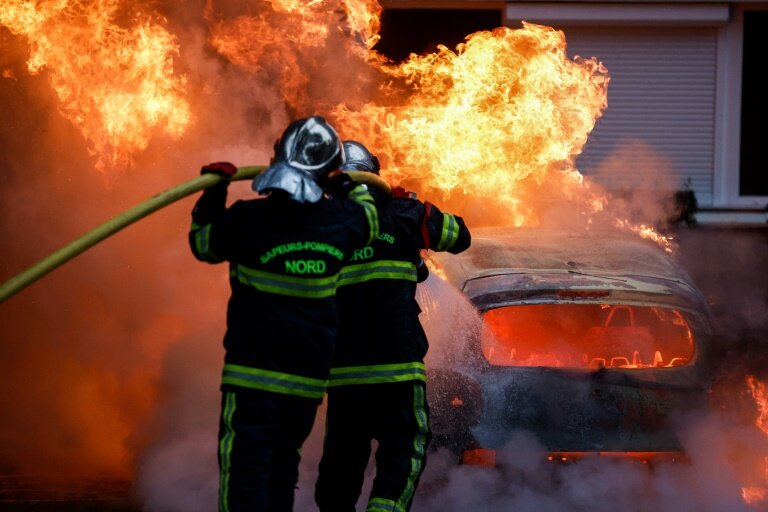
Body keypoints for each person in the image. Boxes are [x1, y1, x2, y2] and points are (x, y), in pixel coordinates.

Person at [188, 117, 378, 512]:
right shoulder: (342, 223)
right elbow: (370, 222)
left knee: (246, 474)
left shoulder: (247, 219)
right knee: (282, 472)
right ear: (327, 173)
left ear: (277, 160)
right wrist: (347, 187)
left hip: (254, 378)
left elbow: (204, 244)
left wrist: (214, 193)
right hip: (306, 382)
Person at [314, 140, 471, 512]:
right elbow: (459, 236)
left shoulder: (320, 231)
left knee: (341, 461)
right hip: (396, 370)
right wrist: (414, 207)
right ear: (375, 174)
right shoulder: (403, 214)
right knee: (403, 449)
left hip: (344, 375)